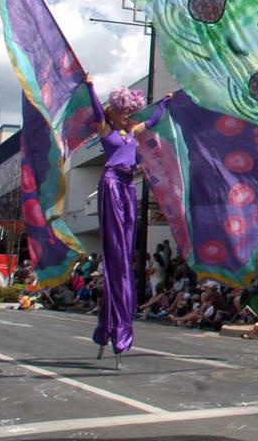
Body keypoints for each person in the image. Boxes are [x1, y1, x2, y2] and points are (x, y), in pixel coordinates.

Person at [85, 77, 171, 365]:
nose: (127, 116)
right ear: (114, 112)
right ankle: (112, 324)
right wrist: (90, 87)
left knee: (126, 252)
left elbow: (155, 119)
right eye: (123, 111)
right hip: (111, 183)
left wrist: (166, 102)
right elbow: (97, 112)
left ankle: (120, 322)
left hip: (128, 186)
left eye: (129, 112)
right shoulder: (105, 129)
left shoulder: (132, 131)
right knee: (115, 254)